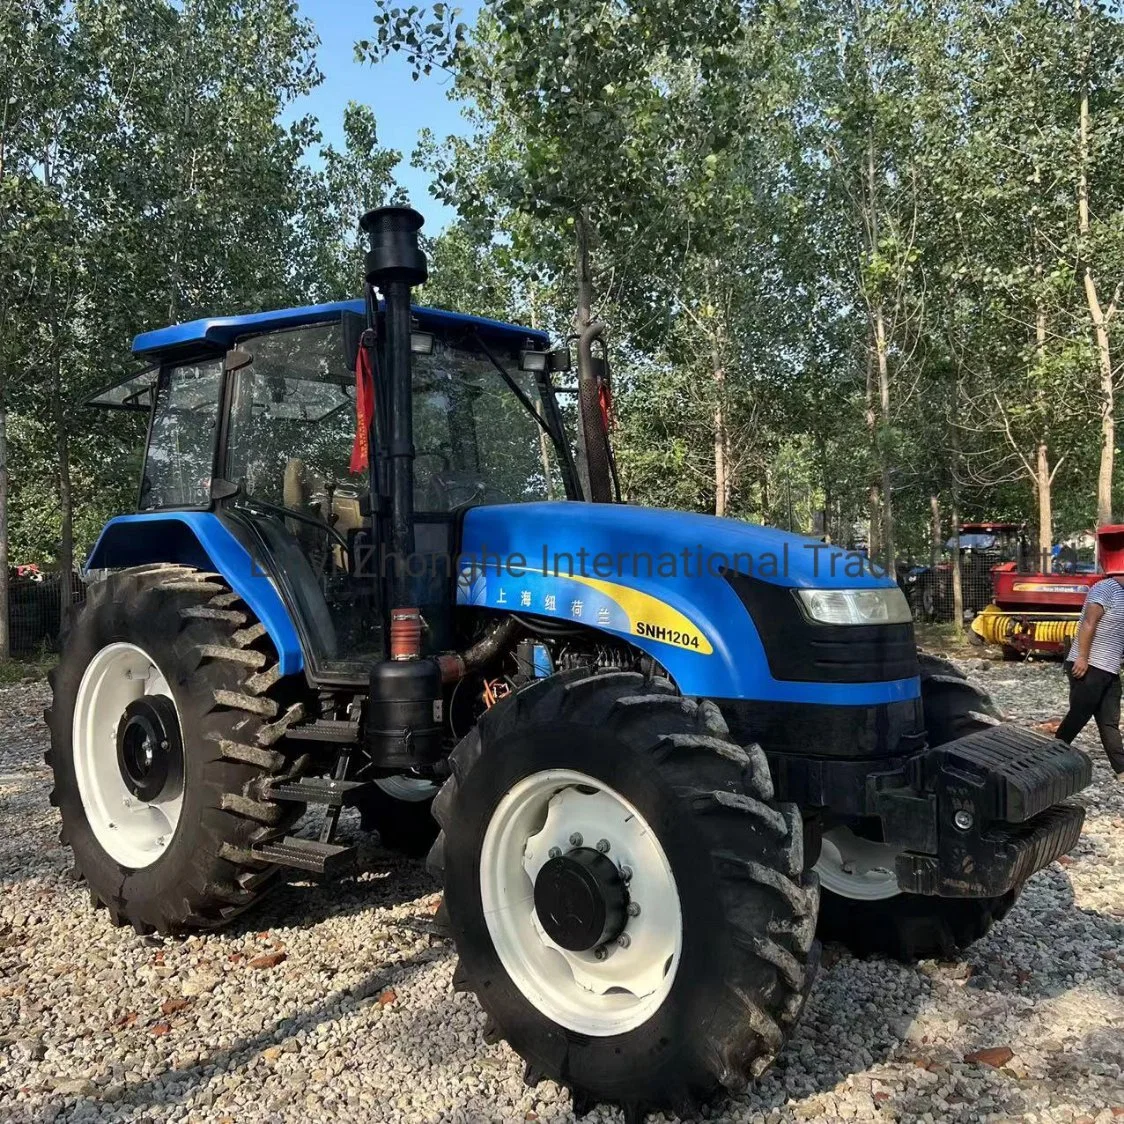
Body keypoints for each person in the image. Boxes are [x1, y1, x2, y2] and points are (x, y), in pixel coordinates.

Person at [1056, 572, 1124, 778]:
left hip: (1110, 669)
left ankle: (1121, 769)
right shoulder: (1106, 588)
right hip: (1089, 665)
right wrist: (1082, 658)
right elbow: (1088, 623)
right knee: (1079, 716)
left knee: (1109, 722)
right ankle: (1046, 758)